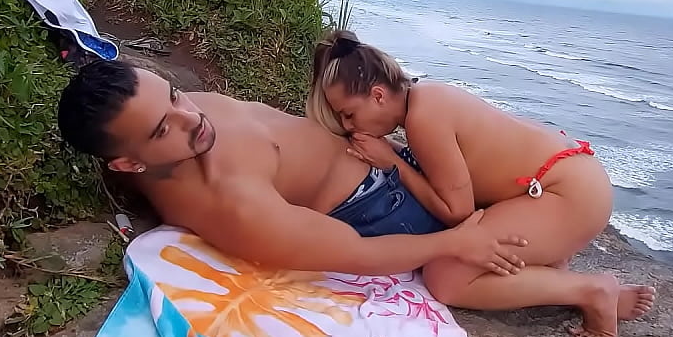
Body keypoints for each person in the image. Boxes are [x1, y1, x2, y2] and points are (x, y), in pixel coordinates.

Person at [307, 30, 656, 337]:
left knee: (445, 276)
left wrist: (392, 162)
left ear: (378, 95)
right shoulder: (427, 97)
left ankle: (593, 290)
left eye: (349, 114)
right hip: (567, 182)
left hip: (566, 196)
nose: (349, 125)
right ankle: (558, 272)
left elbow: (457, 212)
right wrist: (394, 152)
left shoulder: (423, 118)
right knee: (477, 254)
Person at [55, 58, 530, 277]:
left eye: (174, 95)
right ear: (129, 162)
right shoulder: (234, 205)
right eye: (164, 129)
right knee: (517, 240)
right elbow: (357, 256)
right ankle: (590, 292)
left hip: (379, 156)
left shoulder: (163, 117)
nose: (192, 117)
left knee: (509, 173)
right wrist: (456, 242)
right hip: (381, 205)